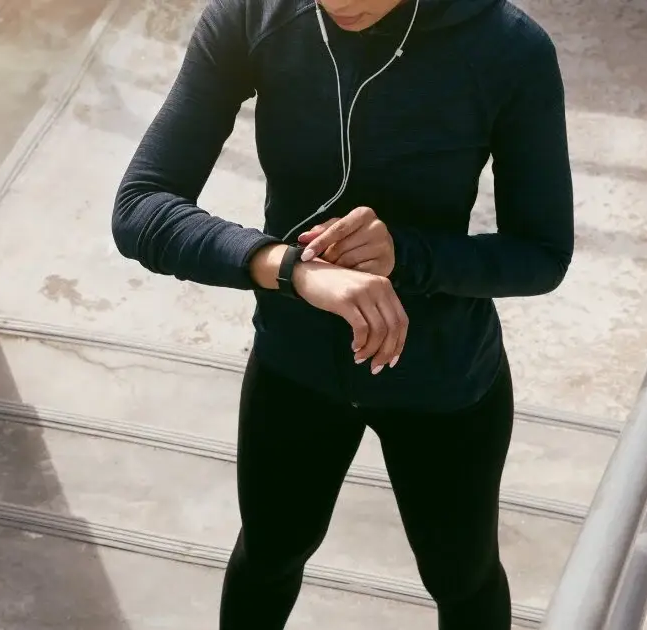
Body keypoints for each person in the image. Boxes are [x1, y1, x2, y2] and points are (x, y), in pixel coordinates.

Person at [112, 0, 573, 627]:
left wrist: (405, 254)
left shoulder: (507, 48)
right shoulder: (254, 16)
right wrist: (288, 269)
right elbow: (141, 205)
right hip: (294, 365)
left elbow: (541, 254)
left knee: (460, 576)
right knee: (271, 552)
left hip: (442, 380)